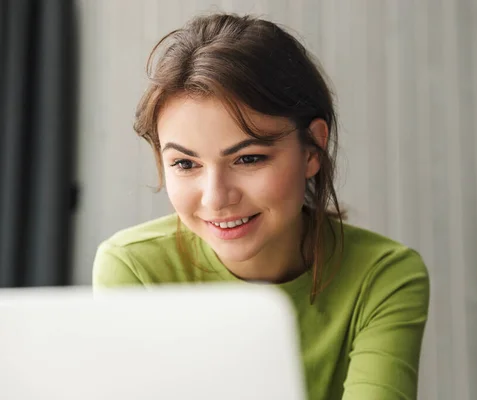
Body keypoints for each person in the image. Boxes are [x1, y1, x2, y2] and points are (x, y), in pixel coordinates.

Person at [93, 13, 430, 400]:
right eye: (186, 164)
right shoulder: (135, 269)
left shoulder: (382, 277)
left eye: (249, 158)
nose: (216, 197)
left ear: (312, 149)